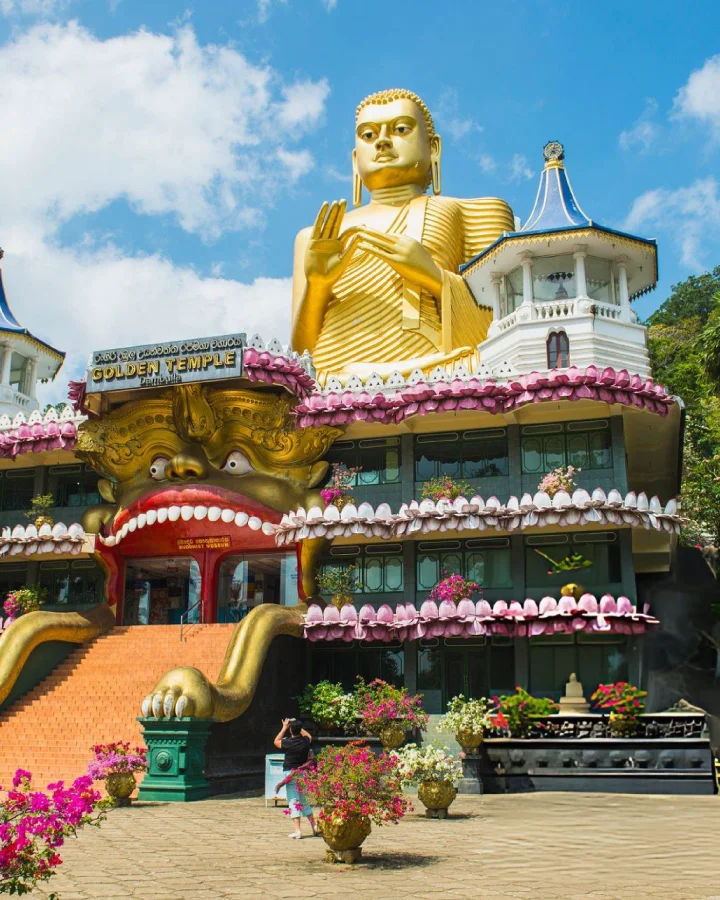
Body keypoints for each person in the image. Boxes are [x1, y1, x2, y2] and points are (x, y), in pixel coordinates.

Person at [273, 718, 318, 839]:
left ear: (290, 730)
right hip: (302, 773)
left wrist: (284, 727)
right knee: (303, 800)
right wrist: (297, 725)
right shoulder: (305, 741)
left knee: (293, 800)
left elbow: (276, 741)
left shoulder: (288, 742)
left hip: (290, 773)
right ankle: (314, 826)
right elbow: (308, 735)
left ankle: (297, 831)